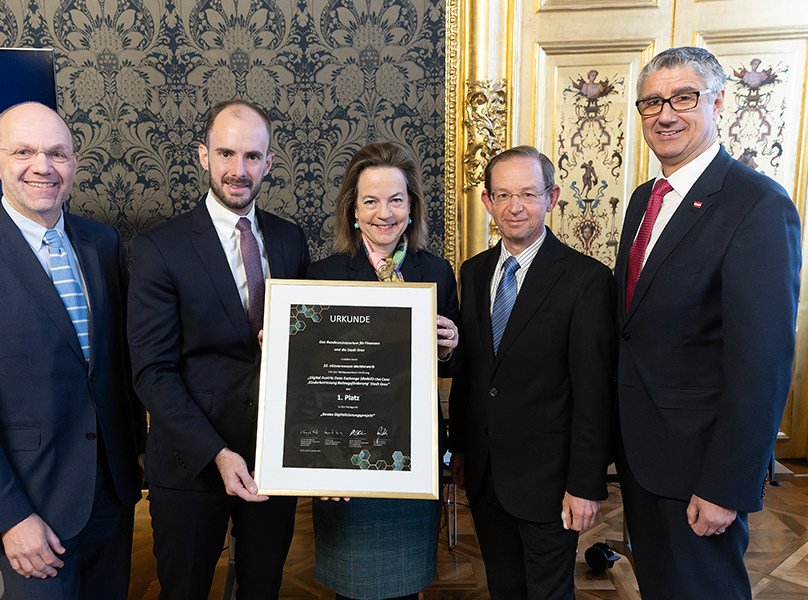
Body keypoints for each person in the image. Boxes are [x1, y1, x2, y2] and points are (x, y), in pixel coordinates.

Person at [0, 102, 146, 600]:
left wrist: (139, 452)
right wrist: (8, 517)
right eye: (24, 151)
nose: (43, 166)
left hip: (112, 489)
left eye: (57, 153)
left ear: (74, 164)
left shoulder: (103, 243)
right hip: (31, 504)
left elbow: (116, 363)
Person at [615, 46, 801, 600]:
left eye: (683, 97)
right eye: (651, 102)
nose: (664, 113)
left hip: (701, 467)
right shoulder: (644, 199)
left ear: (718, 100)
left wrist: (726, 485)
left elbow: (762, 364)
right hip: (644, 454)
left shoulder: (757, 204)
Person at [127, 99, 310, 600]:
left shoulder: (291, 241)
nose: (238, 169)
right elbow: (152, 372)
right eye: (226, 153)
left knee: (262, 588)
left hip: (274, 462)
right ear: (203, 156)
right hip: (191, 464)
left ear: (269, 163)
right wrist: (217, 454)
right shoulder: (160, 247)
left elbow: (310, 355)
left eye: (253, 156)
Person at [449, 146, 615, 599]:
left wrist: (585, 484)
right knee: (504, 587)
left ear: (552, 197)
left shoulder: (587, 281)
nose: (514, 207)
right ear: (487, 202)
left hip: (551, 482)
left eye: (527, 193)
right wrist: (460, 447)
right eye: (502, 195)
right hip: (485, 475)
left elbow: (593, 392)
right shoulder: (474, 271)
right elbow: (473, 371)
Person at [308, 142, 460, 600]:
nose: (384, 213)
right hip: (346, 460)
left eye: (396, 199)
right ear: (353, 210)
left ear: (411, 206)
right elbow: (312, 385)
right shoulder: (322, 276)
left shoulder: (437, 271)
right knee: (351, 588)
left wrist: (451, 348)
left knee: (406, 587)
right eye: (370, 201)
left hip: (413, 457)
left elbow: (454, 363)